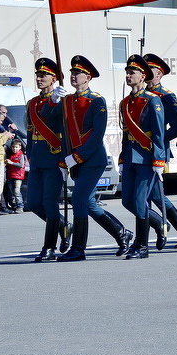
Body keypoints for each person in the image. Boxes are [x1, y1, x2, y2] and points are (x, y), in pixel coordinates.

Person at [55, 55, 133, 261]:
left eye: (77, 73)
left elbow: (97, 134)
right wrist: (54, 101)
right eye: (71, 73)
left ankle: (78, 248)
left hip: (92, 159)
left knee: (79, 199)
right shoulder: (67, 100)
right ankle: (122, 233)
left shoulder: (96, 100)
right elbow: (63, 132)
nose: (73, 76)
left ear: (88, 77)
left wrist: (76, 157)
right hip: (75, 160)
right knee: (88, 204)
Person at [118, 54, 168, 260]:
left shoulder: (153, 100)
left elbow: (158, 132)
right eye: (127, 72)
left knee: (139, 201)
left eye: (133, 72)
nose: (129, 75)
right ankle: (156, 223)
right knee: (127, 201)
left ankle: (142, 246)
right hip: (131, 157)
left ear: (143, 76)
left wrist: (158, 159)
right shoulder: (125, 102)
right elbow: (125, 133)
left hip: (147, 159)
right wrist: (122, 157)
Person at [143, 54, 177, 249]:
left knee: (154, 195)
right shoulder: (139, 95)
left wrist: (159, 138)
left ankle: (175, 228)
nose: (146, 74)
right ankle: (174, 228)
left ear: (159, 74)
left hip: (156, 150)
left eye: (150, 71)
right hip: (139, 149)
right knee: (148, 195)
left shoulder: (166, 96)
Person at [23, 60, 69, 260]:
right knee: (33, 203)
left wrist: (60, 102)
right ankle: (62, 225)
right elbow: (30, 131)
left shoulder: (62, 101)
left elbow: (67, 130)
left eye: (44, 75)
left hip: (53, 157)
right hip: (38, 158)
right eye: (38, 75)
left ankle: (49, 247)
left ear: (54, 78)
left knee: (50, 203)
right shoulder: (32, 103)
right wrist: (30, 155)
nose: (40, 78)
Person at [5, 139, 26, 213]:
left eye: (16, 147)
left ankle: (20, 206)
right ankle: (14, 206)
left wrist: (11, 163)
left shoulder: (21, 155)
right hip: (10, 175)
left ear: (20, 147)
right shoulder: (11, 155)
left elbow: (21, 165)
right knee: (12, 192)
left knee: (17, 191)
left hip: (18, 176)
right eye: (13, 147)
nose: (14, 149)